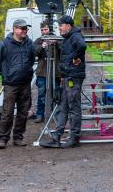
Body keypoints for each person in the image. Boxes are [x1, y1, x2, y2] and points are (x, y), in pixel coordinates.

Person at [40, 15, 86, 148]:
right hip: (67, 76)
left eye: (61, 25)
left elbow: (82, 46)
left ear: (68, 26)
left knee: (73, 108)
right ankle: (57, 137)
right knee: (63, 106)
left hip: (73, 77)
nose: (59, 28)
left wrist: (75, 57)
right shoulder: (68, 38)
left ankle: (74, 138)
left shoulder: (75, 36)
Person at [0, 19, 35, 149]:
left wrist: (27, 73)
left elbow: (32, 59)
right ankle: (2, 139)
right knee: (7, 112)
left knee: (23, 112)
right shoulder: (4, 44)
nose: (24, 31)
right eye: (22, 28)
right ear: (14, 29)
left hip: (25, 83)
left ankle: (18, 137)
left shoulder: (29, 43)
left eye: (26, 29)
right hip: (11, 84)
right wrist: (6, 75)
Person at [33, 22, 61, 123]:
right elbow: (34, 52)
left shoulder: (58, 39)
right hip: (42, 73)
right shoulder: (38, 41)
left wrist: (56, 43)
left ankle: (56, 115)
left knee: (56, 94)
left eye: (46, 29)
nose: (44, 32)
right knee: (41, 94)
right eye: (42, 30)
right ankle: (40, 114)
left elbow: (63, 50)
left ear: (49, 29)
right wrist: (42, 46)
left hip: (55, 73)